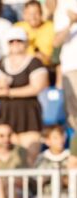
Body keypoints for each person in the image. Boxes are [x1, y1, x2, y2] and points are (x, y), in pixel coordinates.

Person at [0, 26, 48, 163]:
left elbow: (37, 87)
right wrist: (4, 89)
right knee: (7, 158)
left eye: (19, 40)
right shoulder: (2, 63)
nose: (15, 44)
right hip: (6, 114)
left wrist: (8, 92)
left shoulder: (34, 62)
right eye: (12, 41)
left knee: (29, 157)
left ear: (25, 43)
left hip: (28, 114)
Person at [53, 0, 77, 130]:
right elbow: (56, 41)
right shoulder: (64, 4)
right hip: (71, 65)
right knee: (73, 111)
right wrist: (71, 22)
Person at [15, 0, 55, 67]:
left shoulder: (51, 27)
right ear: (24, 15)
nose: (33, 17)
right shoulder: (18, 28)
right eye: (29, 14)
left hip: (46, 66)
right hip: (23, 66)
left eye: (36, 13)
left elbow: (57, 55)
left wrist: (46, 58)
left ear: (41, 13)